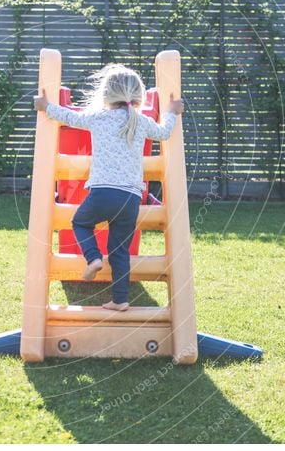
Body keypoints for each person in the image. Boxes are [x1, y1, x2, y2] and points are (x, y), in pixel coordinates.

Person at [33, 63, 184, 311]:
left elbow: (69, 116)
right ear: (138, 96)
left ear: (106, 94)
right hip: (131, 199)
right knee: (120, 252)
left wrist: (45, 106)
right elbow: (164, 133)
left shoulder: (99, 117)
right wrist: (172, 111)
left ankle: (93, 258)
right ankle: (120, 300)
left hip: (102, 192)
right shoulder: (142, 121)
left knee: (81, 222)